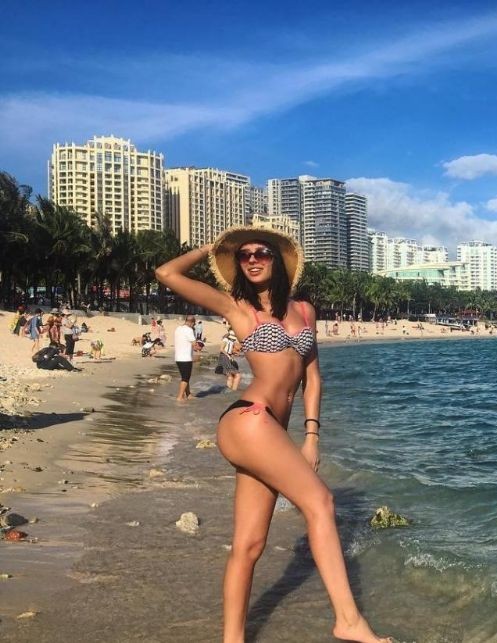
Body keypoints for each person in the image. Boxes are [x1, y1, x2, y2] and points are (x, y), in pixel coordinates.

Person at [155, 228, 390, 643]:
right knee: (321, 502)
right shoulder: (238, 307)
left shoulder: (305, 310)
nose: (252, 259)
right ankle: (349, 621)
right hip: (249, 419)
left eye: (261, 252)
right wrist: (213, 248)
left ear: (277, 260)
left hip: (269, 430)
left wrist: (311, 434)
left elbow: (312, 378)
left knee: (249, 545)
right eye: (244, 254)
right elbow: (166, 273)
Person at [174, 315, 199, 400]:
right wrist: (198, 347)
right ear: (192, 322)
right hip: (186, 358)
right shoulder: (189, 330)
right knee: (185, 378)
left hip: (178, 357)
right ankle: (180, 397)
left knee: (185, 377)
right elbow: (194, 344)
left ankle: (188, 394)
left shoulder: (178, 328)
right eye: (194, 324)